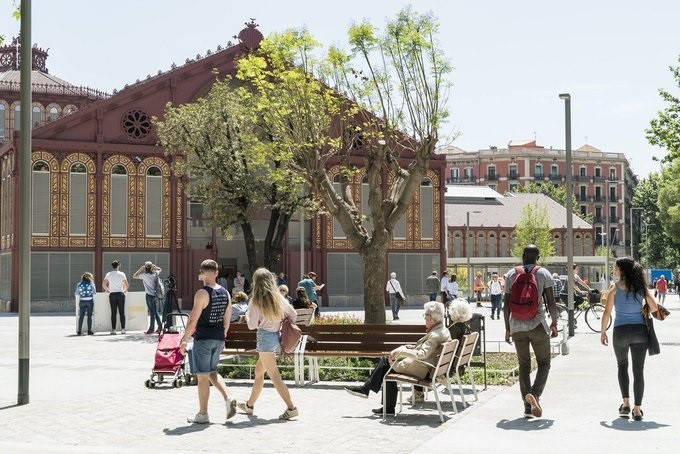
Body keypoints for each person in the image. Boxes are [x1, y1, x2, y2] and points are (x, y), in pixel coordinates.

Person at [344, 301, 452, 416]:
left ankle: (369, 391)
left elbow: (422, 354)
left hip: (422, 369)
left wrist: (401, 351)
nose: (424, 319)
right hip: (427, 367)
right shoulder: (442, 330)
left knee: (386, 363)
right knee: (387, 364)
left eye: (425, 316)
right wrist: (407, 348)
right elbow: (425, 350)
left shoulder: (435, 335)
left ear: (430, 318)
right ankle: (380, 400)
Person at [600, 257, 660, 421]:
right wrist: (643, 305)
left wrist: (603, 331)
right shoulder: (640, 287)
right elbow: (655, 307)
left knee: (622, 366)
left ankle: (626, 404)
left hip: (620, 332)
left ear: (623, 270)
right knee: (638, 370)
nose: (615, 270)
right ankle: (638, 410)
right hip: (639, 332)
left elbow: (607, 313)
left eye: (616, 268)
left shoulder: (614, 288)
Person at [503, 245, 559, 418]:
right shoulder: (543, 273)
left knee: (524, 365)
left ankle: (527, 408)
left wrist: (507, 329)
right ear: (538, 257)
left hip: (517, 327)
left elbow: (506, 306)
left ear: (522, 256)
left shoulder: (512, 274)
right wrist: (554, 323)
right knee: (544, 363)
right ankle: (534, 395)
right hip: (537, 325)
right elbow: (551, 302)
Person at [238, 267, 299, 420]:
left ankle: (291, 407)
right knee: (259, 372)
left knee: (274, 376)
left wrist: (246, 316)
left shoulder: (255, 301)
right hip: (275, 338)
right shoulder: (278, 298)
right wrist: (280, 320)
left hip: (264, 338)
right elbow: (293, 314)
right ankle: (249, 405)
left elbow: (252, 326)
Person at [180, 259, 235, 424]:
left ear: (201, 273)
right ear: (217, 273)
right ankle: (228, 397)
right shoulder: (225, 292)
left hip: (203, 338)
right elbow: (227, 318)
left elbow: (193, 319)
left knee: (203, 377)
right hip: (218, 337)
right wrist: (223, 336)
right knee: (212, 372)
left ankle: (203, 414)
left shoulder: (202, 293)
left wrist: (184, 340)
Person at [133, 261, 163, 334]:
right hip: (155, 295)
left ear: (145, 268)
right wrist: (154, 266)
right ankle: (159, 327)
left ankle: (151, 329)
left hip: (149, 295)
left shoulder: (143, 275)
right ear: (151, 267)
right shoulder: (155, 274)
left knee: (152, 312)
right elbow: (160, 269)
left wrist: (140, 269)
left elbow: (134, 276)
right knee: (155, 312)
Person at [103, 260, 129, 335]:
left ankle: (113, 330)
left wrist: (108, 290)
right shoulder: (122, 274)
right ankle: (123, 329)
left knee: (113, 313)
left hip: (112, 295)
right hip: (120, 294)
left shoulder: (108, 274)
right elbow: (127, 285)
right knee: (122, 312)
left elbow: (103, 284)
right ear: (119, 265)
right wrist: (124, 291)